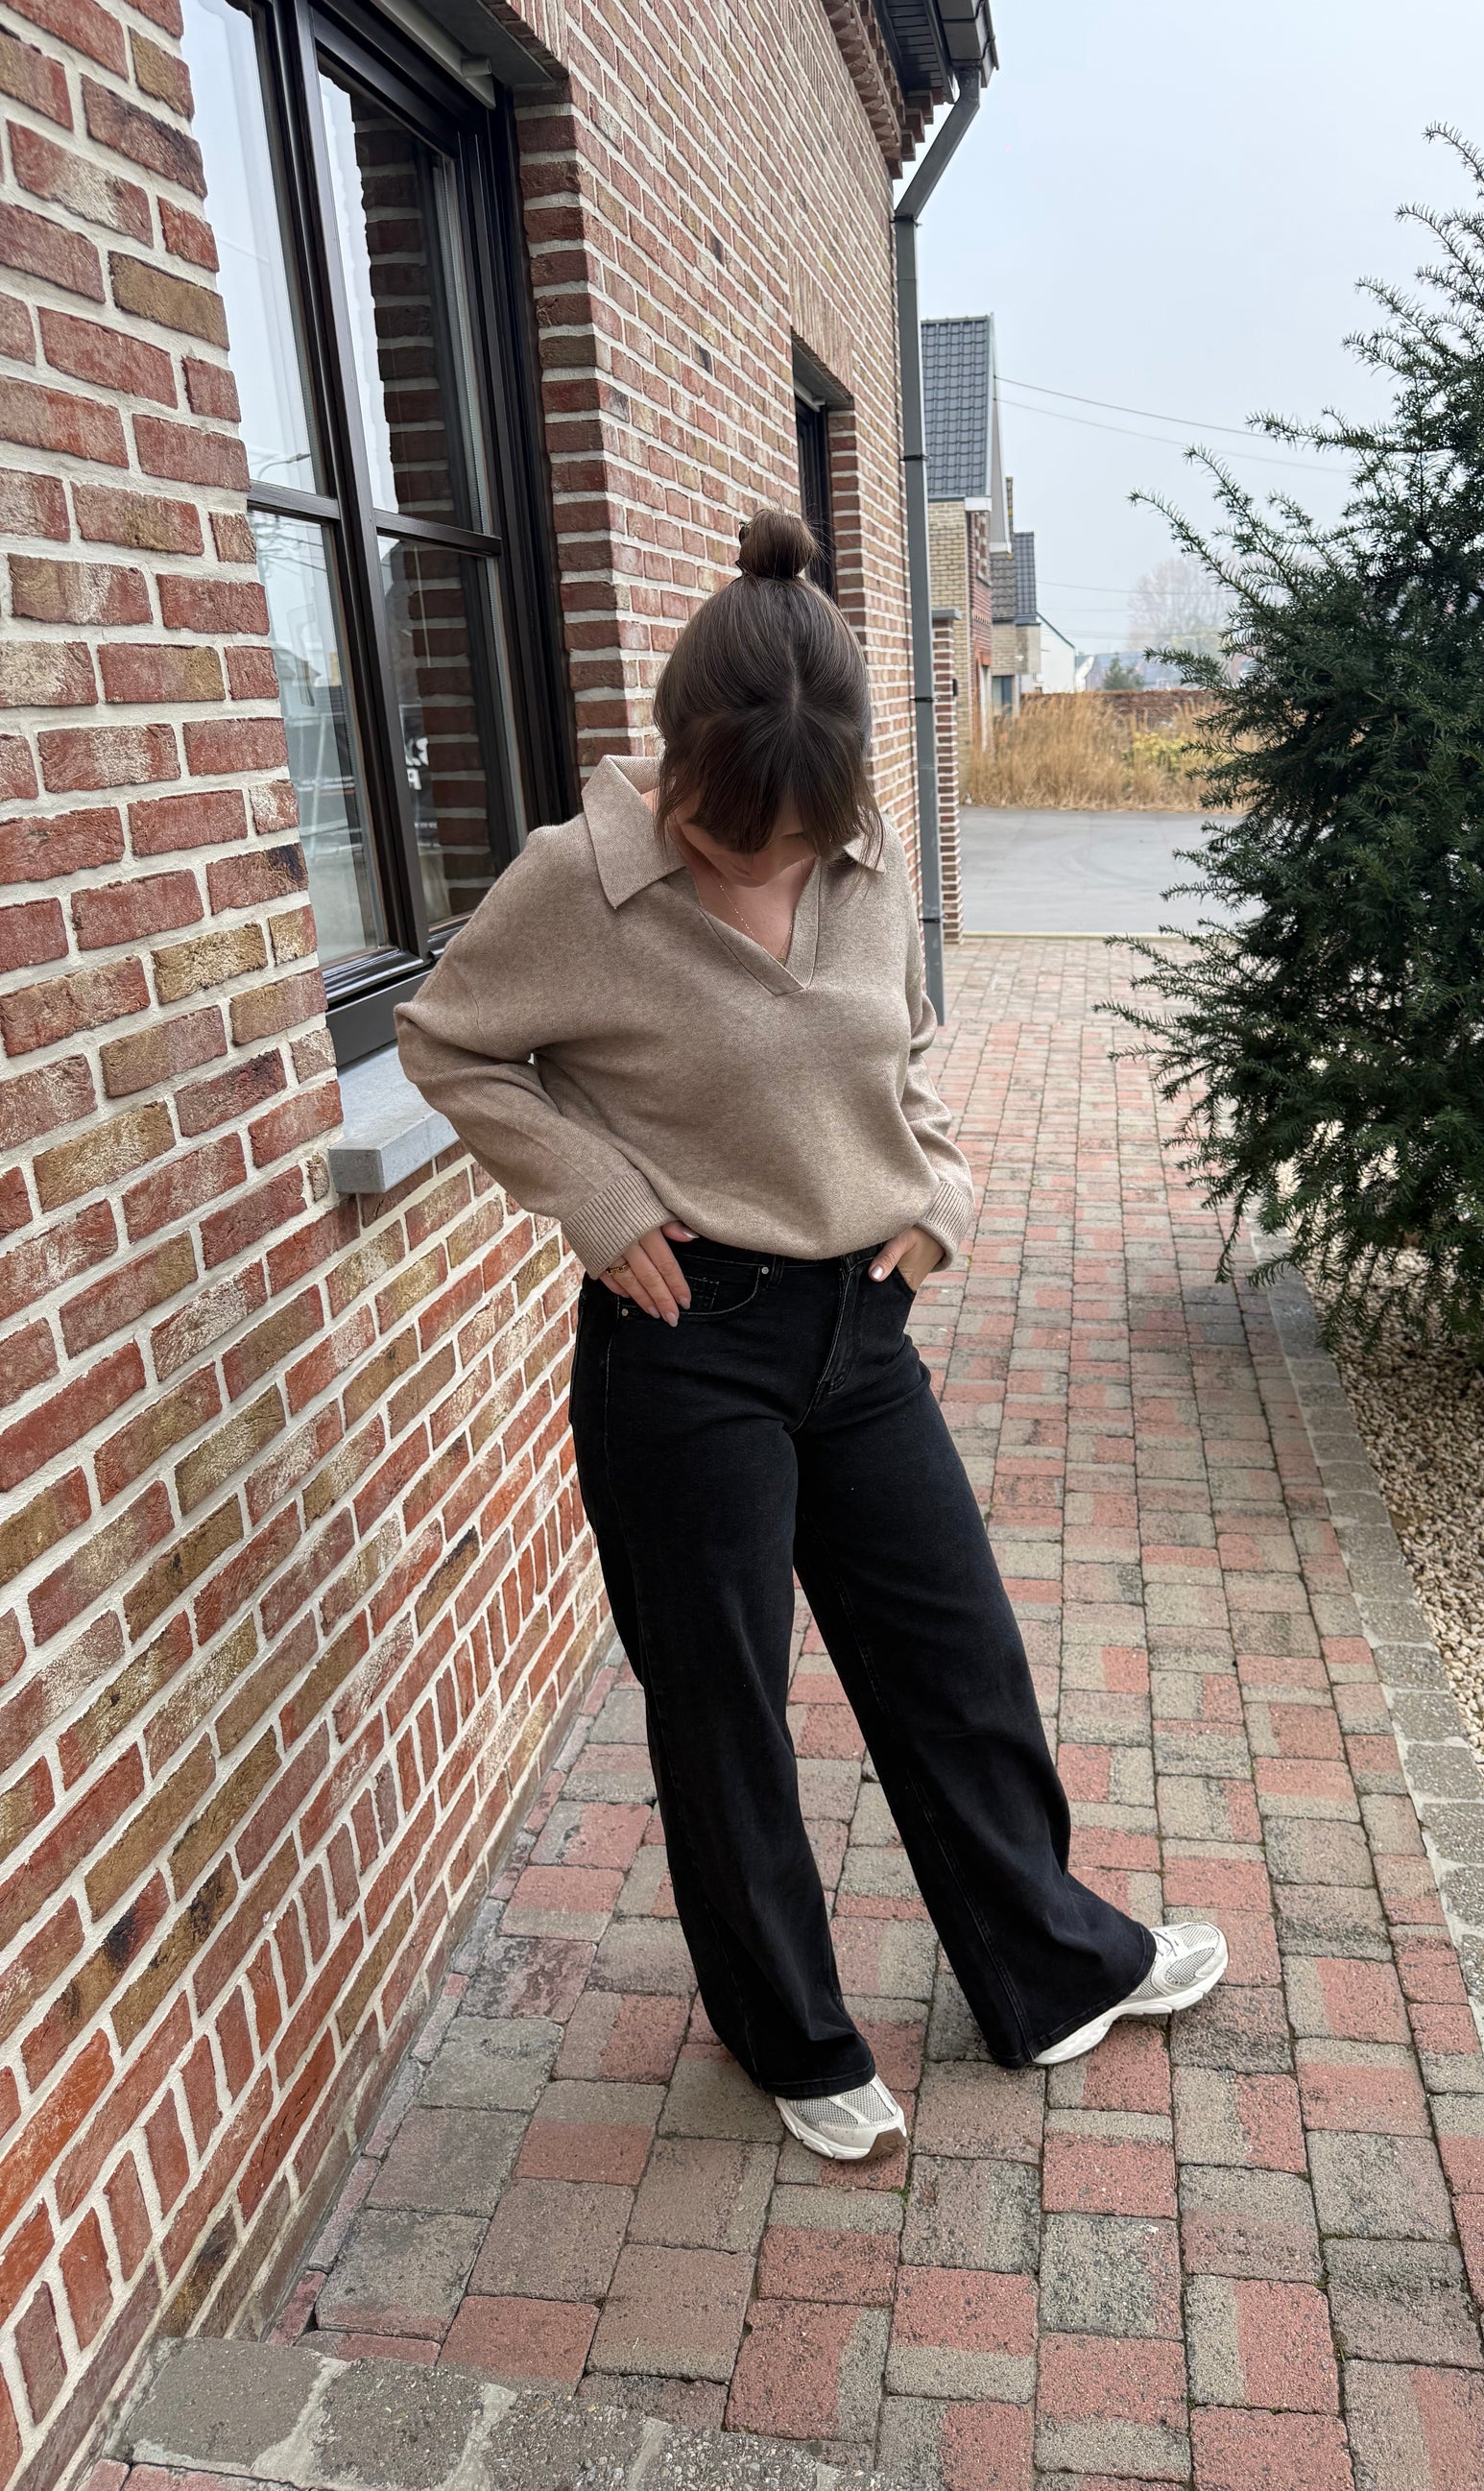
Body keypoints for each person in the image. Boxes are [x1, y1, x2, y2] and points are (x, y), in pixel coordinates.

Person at [396, 510, 1227, 2160]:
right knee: (724, 1708)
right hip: (685, 1346)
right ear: (679, 757)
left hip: (862, 1332)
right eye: (727, 830)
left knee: (957, 1660)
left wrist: (943, 1195)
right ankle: (788, 2034)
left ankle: (1052, 1968)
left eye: (790, 833)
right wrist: (596, 1199)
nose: (755, 860)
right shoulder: (576, 879)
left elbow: (899, 1054)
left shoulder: (867, 858)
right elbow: (446, 1042)